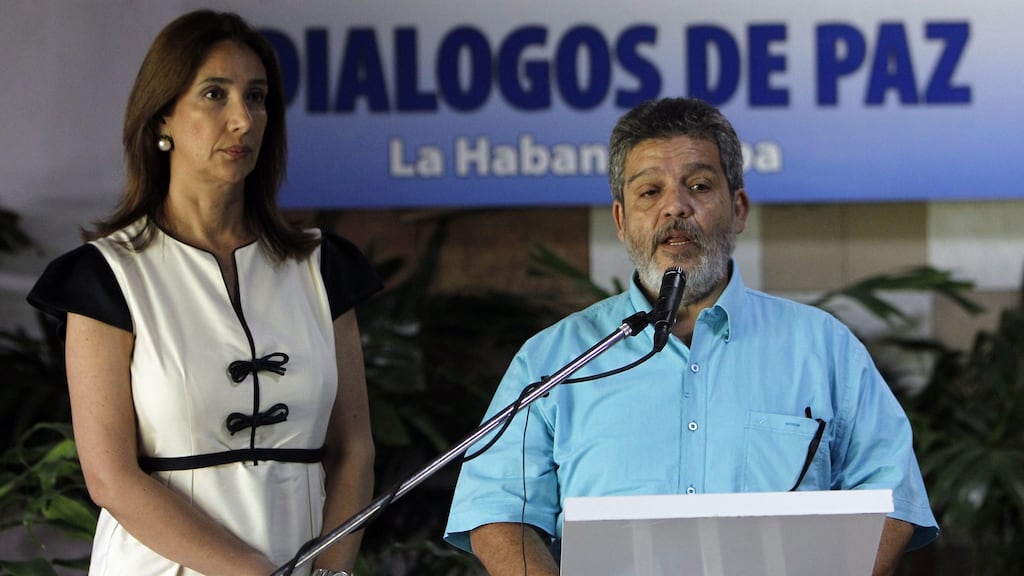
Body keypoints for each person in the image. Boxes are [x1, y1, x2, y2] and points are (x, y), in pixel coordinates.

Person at [443, 97, 938, 575]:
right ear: (622, 219)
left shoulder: (824, 348)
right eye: (649, 192)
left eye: (699, 187)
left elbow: (891, 497)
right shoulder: (554, 360)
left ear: (738, 208)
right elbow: (497, 509)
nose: (675, 207)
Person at [26, 10, 380, 576]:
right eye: (215, 94)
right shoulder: (104, 276)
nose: (243, 119)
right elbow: (109, 476)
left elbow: (353, 449)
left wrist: (330, 571)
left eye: (257, 96)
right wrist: (254, 572)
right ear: (162, 116)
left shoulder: (322, 266)